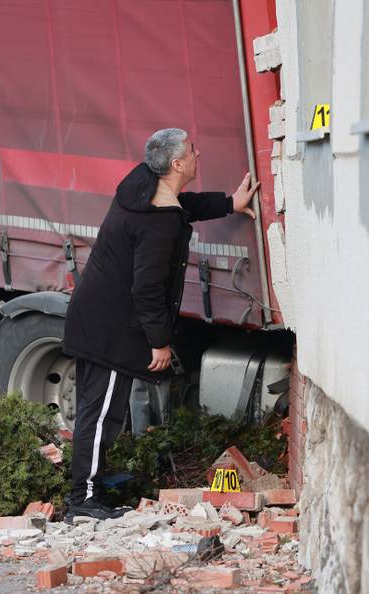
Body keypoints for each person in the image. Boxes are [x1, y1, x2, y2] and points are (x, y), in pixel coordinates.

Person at [61, 128, 259, 521]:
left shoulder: (145, 190)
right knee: (100, 415)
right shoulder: (158, 221)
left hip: (97, 317)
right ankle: (81, 502)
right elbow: (148, 288)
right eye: (191, 150)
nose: (197, 152)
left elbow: (184, 205)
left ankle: (90, 491)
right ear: (177, 164)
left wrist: (229, 203)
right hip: (109, 330)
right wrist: (159, 342)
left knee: (98, 412)